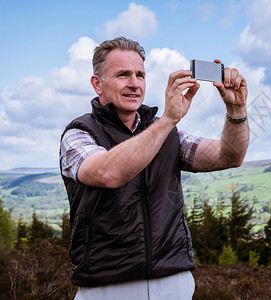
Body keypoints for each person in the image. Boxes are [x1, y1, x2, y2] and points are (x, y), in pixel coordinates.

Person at [59, 36, 249, 299]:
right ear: (97, 84)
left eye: (140, 75)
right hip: (107, 286)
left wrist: (236, 110)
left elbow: (228, 156)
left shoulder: (167, 133)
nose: (134, 84)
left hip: (174, 281)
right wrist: (168, 120)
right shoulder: (79, 133)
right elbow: (107, 172)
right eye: (123, 75)